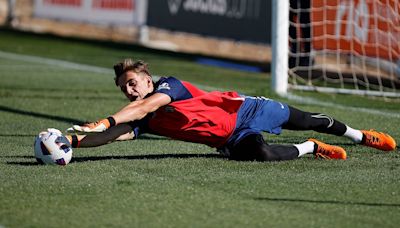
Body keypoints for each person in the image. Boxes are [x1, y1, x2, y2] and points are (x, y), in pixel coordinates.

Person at [65, 59, 396, 161]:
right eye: (125, 87)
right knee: (262, 156)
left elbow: (142, 109)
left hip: (246, 111)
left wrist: (106, 119)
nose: (130, 89)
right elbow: (113, 135)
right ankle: (311, 147)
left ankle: (361, 135)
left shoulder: (169, 87)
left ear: (147, 78)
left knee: (307, 118)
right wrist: (74, 143)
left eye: (133, 82)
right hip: (229, 139)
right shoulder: (145, 118)